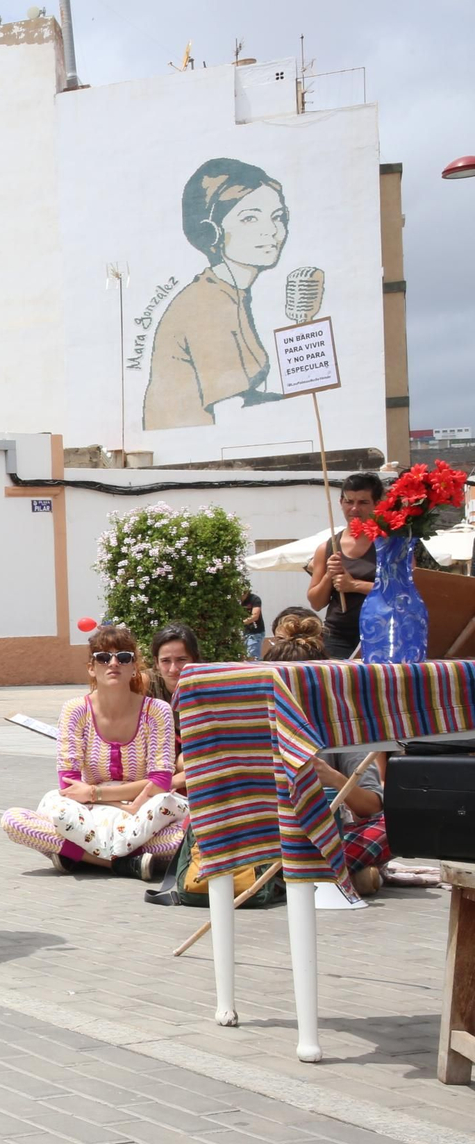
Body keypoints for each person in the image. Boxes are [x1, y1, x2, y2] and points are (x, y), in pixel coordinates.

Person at [0, 625, 185, 879]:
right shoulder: (76, 710)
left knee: (185, 829)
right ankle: (121, 863)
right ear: (91, 667)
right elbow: (68, 784)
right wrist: (109, 801)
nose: (113, 663)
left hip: (143, 810)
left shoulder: (156, 711)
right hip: (88, 811)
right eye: (103, 657)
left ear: (134, 667)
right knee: (15, 821)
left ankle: (78, 855)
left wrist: (98, 793)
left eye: (123, 657)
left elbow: (160, 781)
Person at [142, 158, 290, 429]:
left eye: (277, 217)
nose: (271, 230)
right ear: (212, 232)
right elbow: (233, 410)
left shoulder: (232, 295)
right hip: (192, 449)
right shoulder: (206, 304)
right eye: (250, 218)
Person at [259, 611, 387, 893]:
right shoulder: (257, 723)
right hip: (271, 837)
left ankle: (296, 878)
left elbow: (371, 807)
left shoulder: (344, 726)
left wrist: (333, 778)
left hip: (331, 836)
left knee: (392, 825)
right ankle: (335, 875)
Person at [307, 472, 383, 661]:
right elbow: (316, 603)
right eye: (349, 501)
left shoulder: (389, 544)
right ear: (341, 502)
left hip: (383, 631)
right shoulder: (327, 548)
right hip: (338, 636)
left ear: (377, 504)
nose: (355, 508)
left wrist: (355, 585)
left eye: (363, 502)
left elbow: (404, 593)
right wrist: (328, 575)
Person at [145, 623, 200, 703]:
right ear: (157, 663)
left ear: (194, 660)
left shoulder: (208, 686)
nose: (173, 670)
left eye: (181, 659)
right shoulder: (146, 683)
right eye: (165, 661)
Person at [240, 588, 265, 660]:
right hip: (244, 632)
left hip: (255, 632)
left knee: (252, 656)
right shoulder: (237, 601)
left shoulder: (254, 599)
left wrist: (240, 623)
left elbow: (255, 616)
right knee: (243, 656)